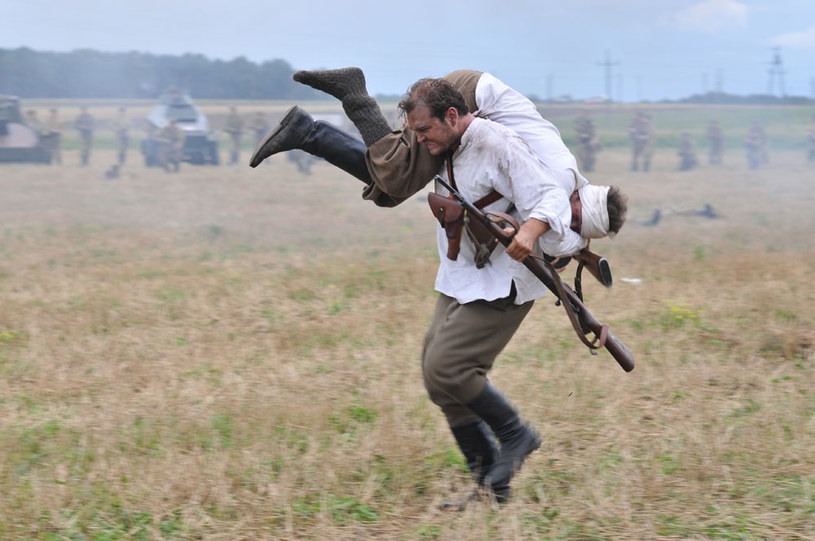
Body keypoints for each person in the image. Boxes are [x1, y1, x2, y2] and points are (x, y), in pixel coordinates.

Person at [253, 69, 628, 503]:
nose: (420, 139)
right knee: (392, 182)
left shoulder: (516, 160)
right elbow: (554, 204)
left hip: (500, 282)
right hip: (467, 259)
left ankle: (516, 435)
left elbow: (551, 210)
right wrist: (538, 232)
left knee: (445, 372)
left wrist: (531, 233)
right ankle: (492, 485)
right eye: (577, 217)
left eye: (425, 130)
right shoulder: (552, 167)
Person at [251, 67, 627, 258]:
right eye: (577, 219)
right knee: (396, 177)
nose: (569, 223)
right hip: (465, 97)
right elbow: (556, 220)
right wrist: (571, 245)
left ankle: (309, 133)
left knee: (388, 191)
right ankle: (351, 96)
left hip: (473, 100)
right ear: (579, 199)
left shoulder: (566, 178)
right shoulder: (561, 181)